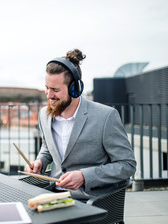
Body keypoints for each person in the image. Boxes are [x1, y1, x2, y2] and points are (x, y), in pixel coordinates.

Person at [25, 48, 136, 200]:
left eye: (55, 90)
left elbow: (127, 165)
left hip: (91, 200)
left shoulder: (106, 116)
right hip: (53, 194)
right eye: (46, 88)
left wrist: (84, 176)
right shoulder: (44, 114)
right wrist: (40, 162)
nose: (49, 95)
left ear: (75, 89)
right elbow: (48, 148)